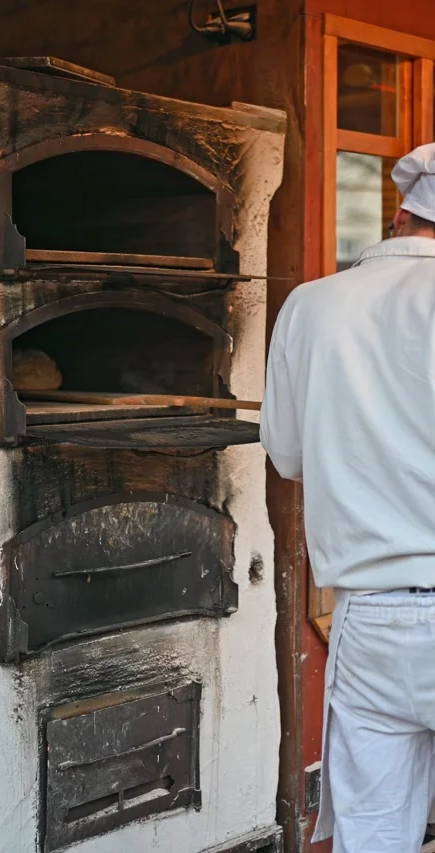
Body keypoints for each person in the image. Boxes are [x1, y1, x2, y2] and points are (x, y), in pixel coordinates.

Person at [260, 143, 435, 853]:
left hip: (376, 616)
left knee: (376, 835)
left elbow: (288, 455)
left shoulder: (311, 306)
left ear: (398, 216)